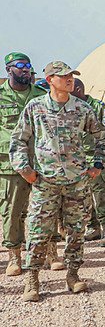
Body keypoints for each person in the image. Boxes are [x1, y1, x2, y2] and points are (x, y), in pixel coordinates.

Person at [10, 61, 105, 301]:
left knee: (76, 230)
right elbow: (19, 140)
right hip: (45, 182)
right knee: (38, 231)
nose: (70, 79)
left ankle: (73, 275)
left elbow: (102, 137)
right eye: (63, 76)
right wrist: (26, 170)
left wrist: (97, 165)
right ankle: (32, 280)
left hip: (76, 182)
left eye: (71, 76)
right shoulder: (36, 108)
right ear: (50, 80)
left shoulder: (82, 109)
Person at [0, 52, 46, 276]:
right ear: (9, 69)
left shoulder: (41, 95)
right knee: (12, 209)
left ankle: (49, 252)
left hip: (40, 161)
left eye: (28, 66)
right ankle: (14, 256)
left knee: (47, 208)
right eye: (20, 66)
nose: (26, 69)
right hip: (9, 164)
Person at [71, 77, 105, 247]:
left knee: (101, 192)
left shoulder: (97, 107)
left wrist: (102, 158)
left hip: (94, 155)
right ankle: (93, 226)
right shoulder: (68, 107)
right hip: (77, 158)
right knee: (83, 195)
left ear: (79, 90)